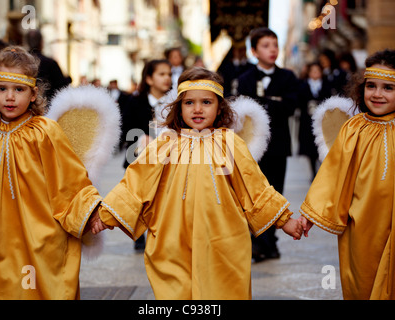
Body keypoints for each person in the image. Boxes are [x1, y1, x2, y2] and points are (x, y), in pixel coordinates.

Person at [89, 67, 303, 299]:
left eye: (206, 102)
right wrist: (107, 215)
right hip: (171, 237)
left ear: (219, 106)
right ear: (179, 106)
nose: (198, 109)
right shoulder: (165, 144)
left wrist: (284, 220)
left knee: (222, 291)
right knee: (176, 292)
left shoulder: (230, 143)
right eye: (189, 103)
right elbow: (135, 183)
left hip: (223, 237)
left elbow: (255, 187)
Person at [0, 46, 104, 299]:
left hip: (41, 233)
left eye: (19, 89)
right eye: (2, 89)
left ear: (34, 94)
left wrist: (89, 213)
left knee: (37, 288)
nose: (10, 97)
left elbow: (69, 177)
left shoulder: (45, 131)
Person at [299, 49, 395, 300]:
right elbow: (333, 172)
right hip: (362, 225)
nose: (377, 94)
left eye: (388, 88)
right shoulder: (354, 128)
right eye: (371, 86)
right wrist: (312, 213)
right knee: (363, 283)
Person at [236, 27, 299, 262]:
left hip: (278, 145)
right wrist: (273, 102)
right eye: (265, 45)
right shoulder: (244, 79)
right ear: (254, 51)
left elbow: (290, 107)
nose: (272, 49)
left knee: (275, 192)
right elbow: (244, 111)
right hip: (252, 147)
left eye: (275, 44)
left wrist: (263, 103)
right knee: (253, 194)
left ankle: (270, 243)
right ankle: (257, 243)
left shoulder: (288, 77)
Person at [120, 59, 172, 249]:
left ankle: (159, 231)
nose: (167, 78)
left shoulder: (173, 102)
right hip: (138, 157)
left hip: (165, 158)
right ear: (149, 79)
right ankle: (138, 232)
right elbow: (124, 128)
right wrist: (140, 138)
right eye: (161, 74)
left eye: (169, 74)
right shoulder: (135, 101)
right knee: (139, 196)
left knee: (161, 195)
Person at [297, 62, 332, 177]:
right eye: (313, 71)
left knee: (322, 145)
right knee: (309, 147)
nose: (315, 73)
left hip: (323, 122)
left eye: (318, 70)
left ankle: (321, 170)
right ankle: (313, 171)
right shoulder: (303, 86)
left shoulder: (327, 86)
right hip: (307, 121)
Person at [25, 29, 71, 104]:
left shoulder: (20, 62)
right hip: (47, 106)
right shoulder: (50, 63)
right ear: (41, 43)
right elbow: (62, 86)